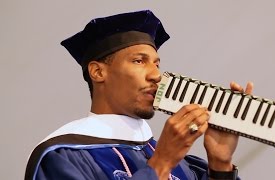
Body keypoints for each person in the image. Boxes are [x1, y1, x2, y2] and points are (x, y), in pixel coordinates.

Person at [25, 10, 253, 180]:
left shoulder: (181, 162)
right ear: (98, 71)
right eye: (139, 61)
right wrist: (161, 165)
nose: (156, 75)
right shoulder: (62, 157)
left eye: (157, 64)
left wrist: (220, 163)